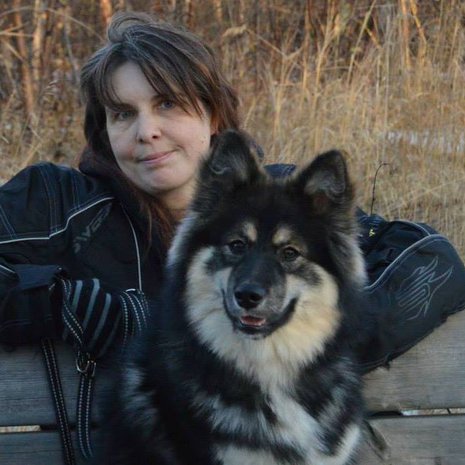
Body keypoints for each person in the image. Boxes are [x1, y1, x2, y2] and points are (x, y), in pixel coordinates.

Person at [1, 10, 464, 464]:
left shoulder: (283, 201)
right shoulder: (59, 204)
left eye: (167, 104)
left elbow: (431, 260)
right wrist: (62, 303)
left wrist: (321, 334)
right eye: (122, 114)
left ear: (213, 114)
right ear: (104, 132)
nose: (147, 131)